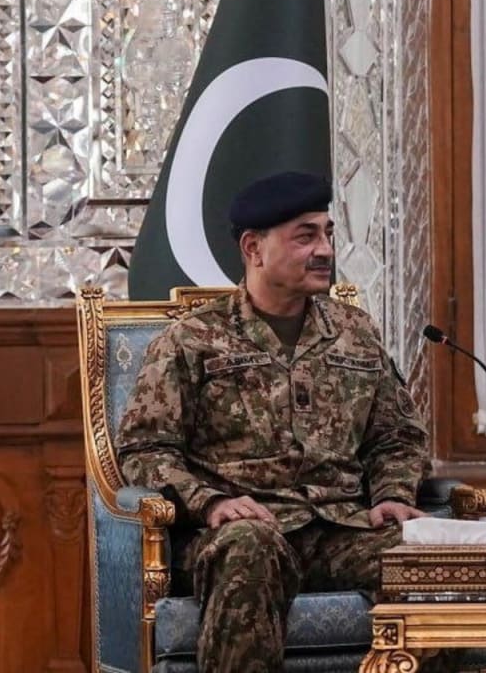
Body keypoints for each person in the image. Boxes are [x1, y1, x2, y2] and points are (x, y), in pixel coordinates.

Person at [117, 170, 429, 673]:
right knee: (250, 549)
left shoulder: (355, 331)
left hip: (338, 527)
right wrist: (211, 502)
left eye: (328, 233)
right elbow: (144, 450)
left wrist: (394, 492)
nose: (325, 249)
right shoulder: (192, 340)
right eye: (305, 236)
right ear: (254, 248)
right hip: (241, 532)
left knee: (435, 563)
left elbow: (396, 434)